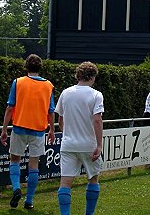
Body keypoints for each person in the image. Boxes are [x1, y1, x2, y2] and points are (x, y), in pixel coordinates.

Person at [0, 54, 55, 210]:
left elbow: (10, 107)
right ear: (40, 67)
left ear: (26, 67)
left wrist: (4, 129)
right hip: (38, 129)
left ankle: (17, 187)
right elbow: (51, 111)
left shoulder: (18, 82)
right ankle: (29, 200)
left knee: (14, 160)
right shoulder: (48, 85)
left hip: (19, 127)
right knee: (34, 165)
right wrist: (51, 129)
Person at [55, 61, 104, 215]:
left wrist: (68, 133)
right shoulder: (96, 94)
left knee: (65, 183)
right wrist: (99, 145)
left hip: (68, 144)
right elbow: (97, 120)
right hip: (89, 144)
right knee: (93, 179)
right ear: (93, 77)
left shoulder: (65, 93)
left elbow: (60, 121)